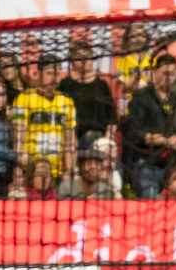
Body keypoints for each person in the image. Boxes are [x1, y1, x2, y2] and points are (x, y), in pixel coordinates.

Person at [122, 53, 176, 199]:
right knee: (150, 205)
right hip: (147, 164)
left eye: (172, 74)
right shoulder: (141, 97)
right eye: (165, 73)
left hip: (173, 167)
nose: (169, 77)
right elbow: (131, 131)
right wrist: (163, 140)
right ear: (154, 73)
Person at [11, 53, 77, 183]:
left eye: (57, 74)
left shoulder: (67, 101)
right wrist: (18, 166)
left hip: (55, 173)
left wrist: (70, 170)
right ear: (39, 74)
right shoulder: (23, 99)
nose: (54, 78)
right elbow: (18, 135)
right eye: (50, 73)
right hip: (30, 171)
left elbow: (70, 141)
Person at [59, 41, 118, 150]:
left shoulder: (101, 85)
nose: (84, 60)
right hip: (72, 141)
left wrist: (107, 141)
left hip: (99, 139)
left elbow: (112, 118)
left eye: (87, 56)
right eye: (79, 56)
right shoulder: (65, 85)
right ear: (72, 61)